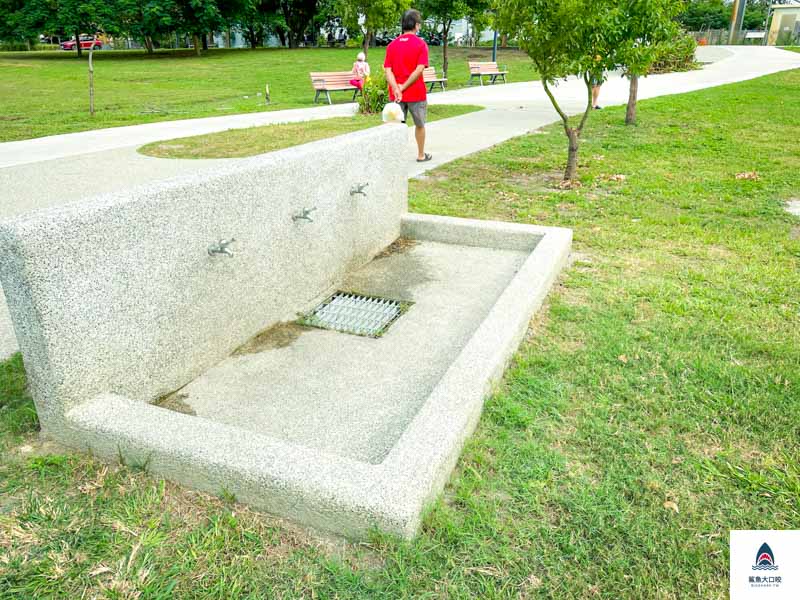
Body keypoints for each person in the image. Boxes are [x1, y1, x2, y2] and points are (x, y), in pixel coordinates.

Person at [384, 9, 432, 163]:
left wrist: (397, 88)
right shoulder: (421, 44)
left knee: (396, 126)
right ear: (417, 25)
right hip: (416, 93)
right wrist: (403, 87)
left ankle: (395, 158)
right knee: (420, 125)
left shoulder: (391, 45)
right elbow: (419, 69)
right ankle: (420, 155)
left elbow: (388, 70)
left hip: (396, 94)